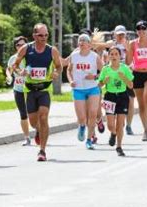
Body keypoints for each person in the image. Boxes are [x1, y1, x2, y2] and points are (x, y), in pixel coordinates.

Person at [12, 23, 62, 161]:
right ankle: (38, 131)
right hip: (30, 89)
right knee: (33, 122)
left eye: (46, 35)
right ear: (34, 35)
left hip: (45, 89)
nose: (44, 38)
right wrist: (19, 71)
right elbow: (14, 65)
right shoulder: (26, 49)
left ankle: (42, 151)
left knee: (44, 117)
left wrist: (56, 73)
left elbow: (59, 66)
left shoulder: (52, 50)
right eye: (40, 35)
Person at [93, 25, 135, 135]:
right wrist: (94, 40)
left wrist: (128, 50)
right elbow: (97, 47)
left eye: (122, 34)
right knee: (112, 101)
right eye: (118, 34)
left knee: (130, 101)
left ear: (125, 34)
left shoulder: (128, 44)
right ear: (115, 34)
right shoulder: (111, 43)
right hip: (112, 75)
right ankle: (114, 127)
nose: (120, 36)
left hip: (124, 73)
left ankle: (128, 125)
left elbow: (130, 59)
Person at [67, 34, 103, 149]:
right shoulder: (74, 56)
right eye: (80, 40)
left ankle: (89, 140)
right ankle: (82, 126)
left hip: (93, 88)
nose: (81, 42)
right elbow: (68, 70)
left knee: (93, 114)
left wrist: (95, 77)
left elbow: (104, 71)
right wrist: (70, 80)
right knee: (82, 118)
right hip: (78, 89)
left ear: (89, 44)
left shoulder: (94, 56)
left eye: (84, 40)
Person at [98, 46, 134, 156]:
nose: (114, 56)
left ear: (120, 56)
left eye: (116, 54)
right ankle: (113, 133)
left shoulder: (124, 68)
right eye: (111, 54)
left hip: (122, 96)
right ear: (108, 56)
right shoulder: (105, 69)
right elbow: (99, 84)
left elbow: (131, 85)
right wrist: (104, 81)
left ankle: (119, 147)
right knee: (110, 125)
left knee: (120, 124)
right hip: (110, 97)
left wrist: (124, 78)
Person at [126, 20, 147, 141]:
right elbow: (128, 62)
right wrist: (127, 50)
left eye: (143, 28)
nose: (141, 31)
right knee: (141, 105)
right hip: (137, 74)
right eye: (138, 29)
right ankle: (146, 130)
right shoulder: (133, 44)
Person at [6, 36, 31, 146]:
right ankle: (27, 137)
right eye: (18, 45)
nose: (20, 47)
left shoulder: (31, 57)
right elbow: (9, 69)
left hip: (31, 89)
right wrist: (9, 76)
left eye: (23, 44)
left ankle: (40, 133)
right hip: (18, 89)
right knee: (23, 113)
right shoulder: (13, 58)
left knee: (34, 113)